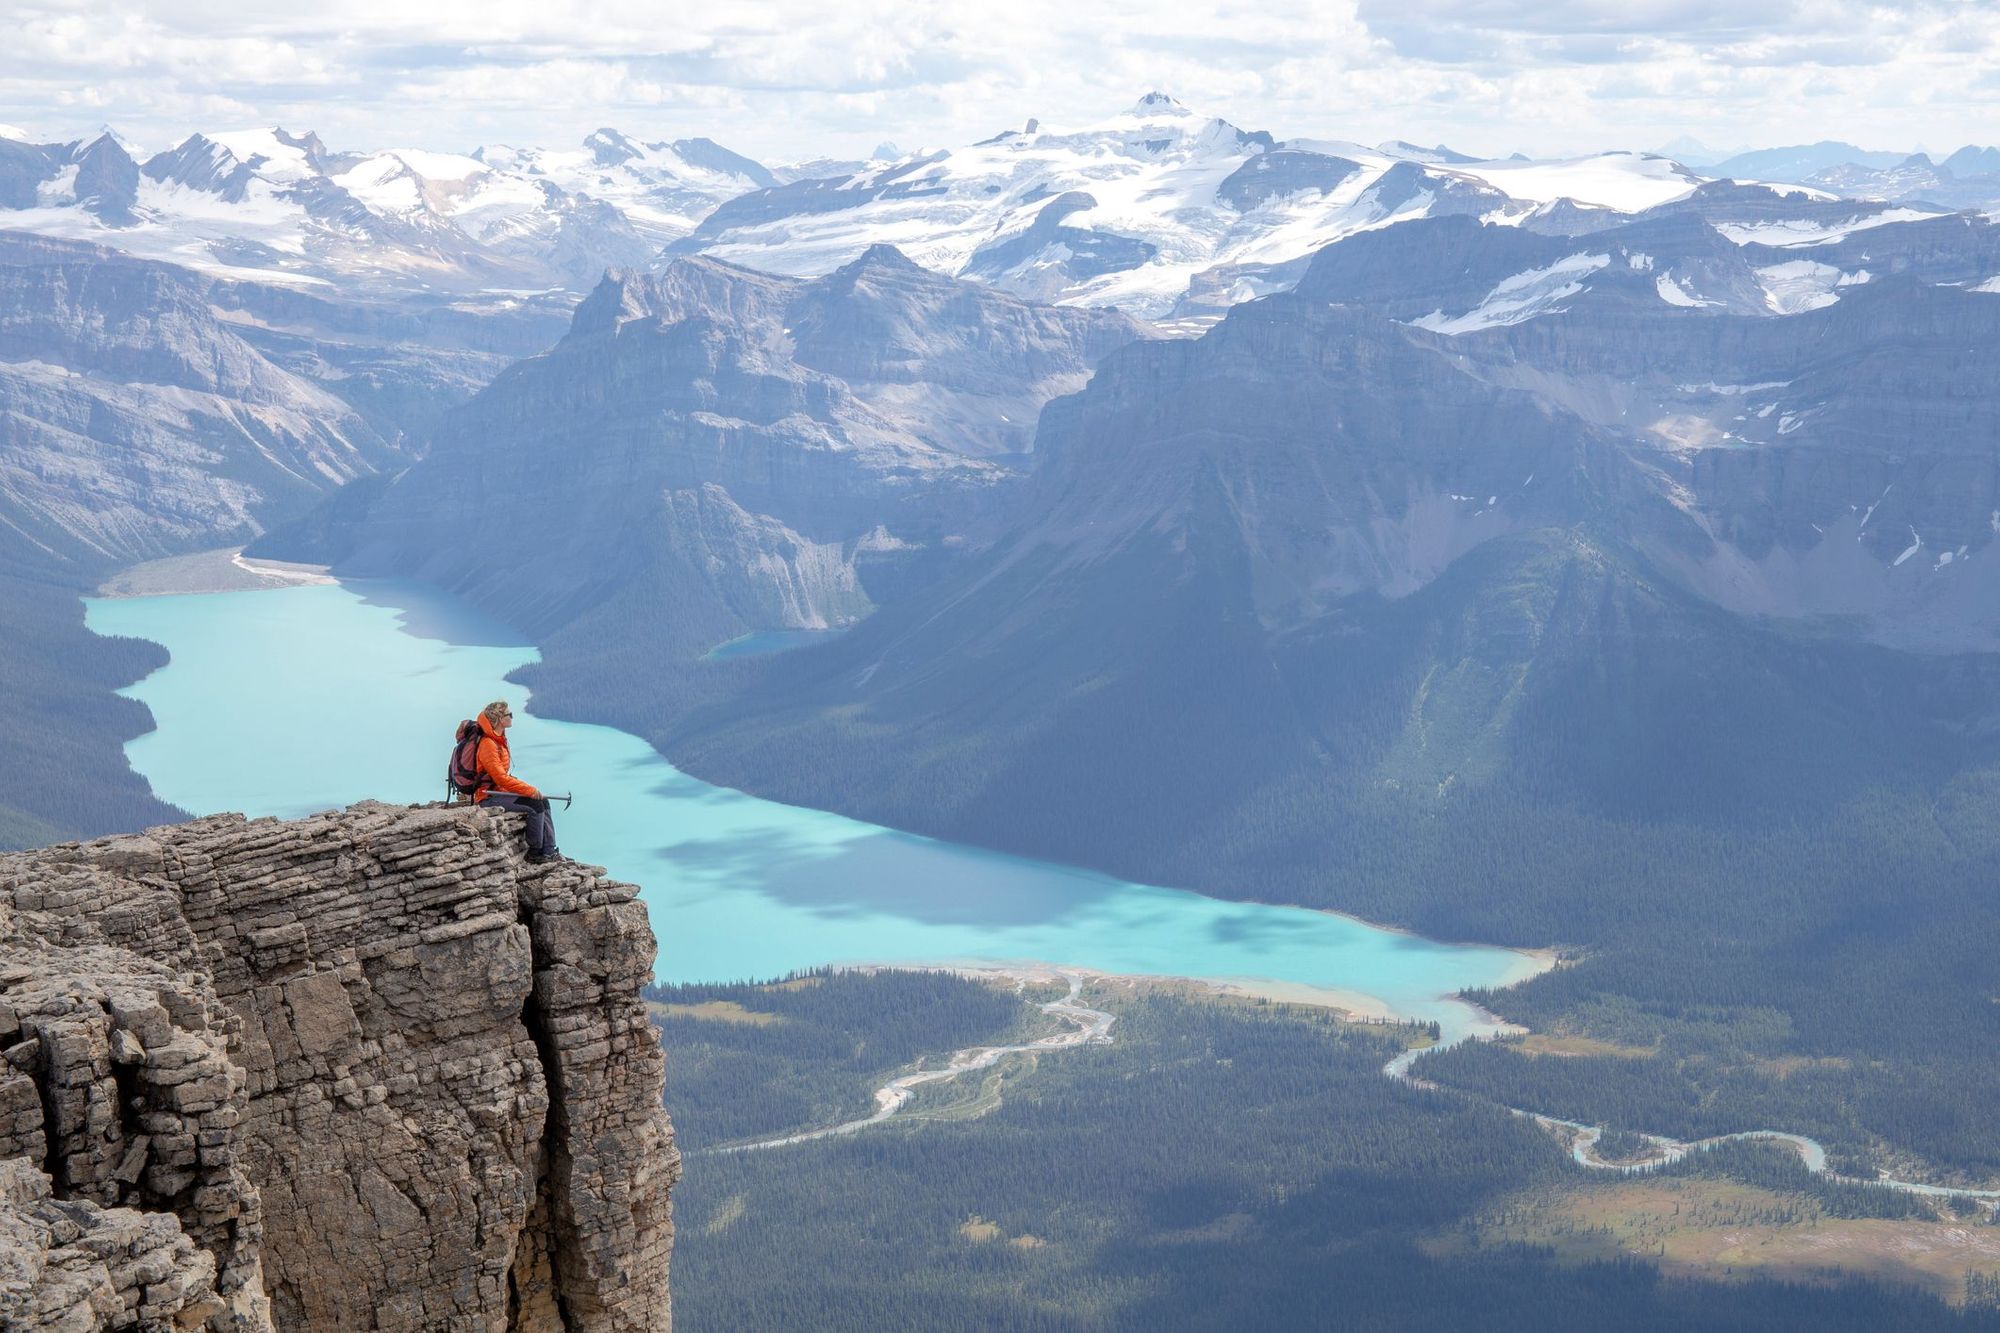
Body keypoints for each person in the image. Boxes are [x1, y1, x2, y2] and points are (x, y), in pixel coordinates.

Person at [472, 700, 562, 864]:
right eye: (509, 714)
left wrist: (528, 790)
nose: (512, 717)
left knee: (543, 801)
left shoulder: (498, 740)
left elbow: (501, 778)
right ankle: (535, 853)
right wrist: (528, 790)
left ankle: (549, 850)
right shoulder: (488, 744)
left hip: (498, 791)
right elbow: (500, 778)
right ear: (500, 719)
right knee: (535, 806)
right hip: (488, 796)